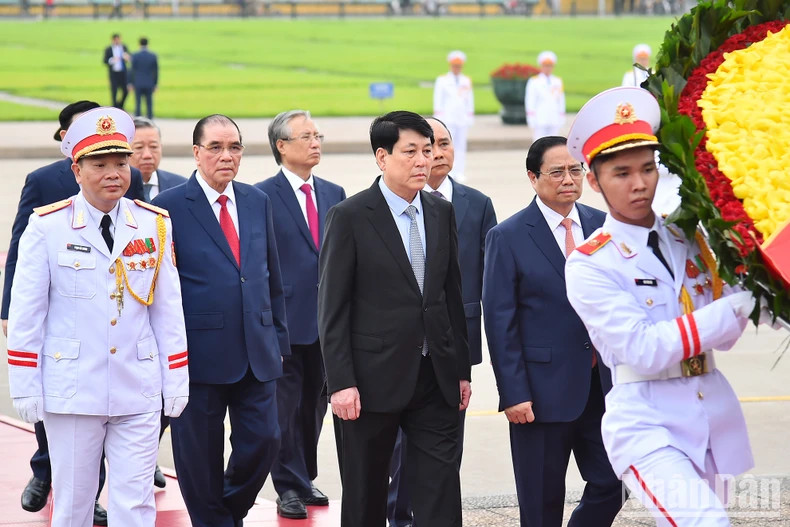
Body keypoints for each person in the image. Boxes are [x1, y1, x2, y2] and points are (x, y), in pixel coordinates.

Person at [565, 86, 768, 525]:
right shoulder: (589, 263)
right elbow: (644, 349)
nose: (640, 184)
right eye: (621, 173)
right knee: (705, 522)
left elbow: (730, 329)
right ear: (594, 181)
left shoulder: (689, 237)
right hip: (646, 421)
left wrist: (770, 291)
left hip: (709, 410)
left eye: (648, 168)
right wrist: (741, 305)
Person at [6, 106, 189, 527]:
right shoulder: (47, 227)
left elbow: (167, 309)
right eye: (100, 164)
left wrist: (176, 375)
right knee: (74, 504)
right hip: (72, 390)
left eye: (121, 163)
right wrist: (26, 385)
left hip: (137, 385)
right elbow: (27, 313)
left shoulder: (153, 224)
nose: (114, 173)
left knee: (136, 502)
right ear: (77, 170)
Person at [318, 110, 471, 527]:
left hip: (434, 374)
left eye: (429, 150)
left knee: (441, 487)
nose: (424, 160)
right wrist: (341, 382)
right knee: (366, 492)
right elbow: (332, 308)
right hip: (370, 380)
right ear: (382, 157)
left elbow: (450, 296)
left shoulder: (441, 212)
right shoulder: (349, 216)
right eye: (411, 152)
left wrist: (460, 369)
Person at [153, 114, 290, 527]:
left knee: (265, 440)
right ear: (197, 153)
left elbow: (270, 275)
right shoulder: (168, 208)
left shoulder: (256, 201)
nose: (226, 156)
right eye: (215, 147)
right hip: (198, 356)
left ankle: (223, 515)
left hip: (257, 349)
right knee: (199, 458)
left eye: (234, 147)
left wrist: (279, 340)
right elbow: (160, 290)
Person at [482, 136, 622, 527]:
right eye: (556, 171)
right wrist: (513, 393)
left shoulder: (603, 225)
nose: (568, 179)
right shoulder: (507, 237)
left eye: (575, 170)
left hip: (602, 385)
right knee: (541, 503)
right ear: (533, 177)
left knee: (614, 483)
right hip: (539, 393)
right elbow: (499, 321)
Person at [387, 116, 496, 527]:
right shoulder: (386, 203)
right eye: (427, 145)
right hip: (399, 350)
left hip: (453, 346)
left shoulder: (476, 203)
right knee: (399, 447)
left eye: (445, 143)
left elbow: (490, 279)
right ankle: (398, 515)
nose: (437, 152)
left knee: (445, 445)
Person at [255, 110, 345, 520]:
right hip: (284, 321)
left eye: (318, 135)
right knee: (284, 408)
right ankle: (287, 485)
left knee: (314, 405)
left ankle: (304, 476)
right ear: (281, 146)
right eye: (306, 136)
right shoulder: (261, 197)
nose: (315, 142)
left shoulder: (333, 193)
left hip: (325, 322)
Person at [433, 51, 474, 181]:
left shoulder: (465, 80)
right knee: (447, 146)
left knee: (461, 146)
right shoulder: (443, 80)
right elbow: (438, 100)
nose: (457, 68)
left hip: (461, 118)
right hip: (448, 119)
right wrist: (439, 119)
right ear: (451, 65)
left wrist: (470, 116)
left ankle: (459, 171)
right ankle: (448, 171)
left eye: (459, 66)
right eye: (455, 66)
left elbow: (469, 100)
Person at [130, 117, 186, 204]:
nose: (147, 155)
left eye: (153, 147)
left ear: (161, 147)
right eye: (139, 147)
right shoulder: (115, 189)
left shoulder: (182, 186)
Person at [525, 51, 565, 140]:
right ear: (541, 66)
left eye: (550, 66)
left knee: (553, 142)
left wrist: (561, 116)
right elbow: (530, 100)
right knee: (539, 142)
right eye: (545, 66)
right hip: (540, 118)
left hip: (554, 118)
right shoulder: (534, 81)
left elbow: (561, 100)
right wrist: (531, 117)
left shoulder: (557, 81)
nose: (548, 68)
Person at [130, 38, 159, 119]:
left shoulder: (135, 55)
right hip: (149, 82)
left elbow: (132, 70)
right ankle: (150, 119)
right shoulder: (153, 56)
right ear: (148, 44)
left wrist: (130, 83)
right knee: (149, 103)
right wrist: (155, 84)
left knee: (138, 102)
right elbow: (155, 71)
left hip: (138, 82)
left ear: (139, 44)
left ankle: (138, 120)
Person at [103, 34, 130, 109]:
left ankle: (120, 105)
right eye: (116, 39)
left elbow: (129, 57)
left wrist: (127, 57)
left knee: (125, 90)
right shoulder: (108, 49)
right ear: (113, 40)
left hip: (123, 73)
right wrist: (112, 60)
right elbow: (105, 60)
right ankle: (114, 107)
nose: (118, 41)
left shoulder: (124, 47)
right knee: (114, 91)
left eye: (119, 39)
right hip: (113, 73)